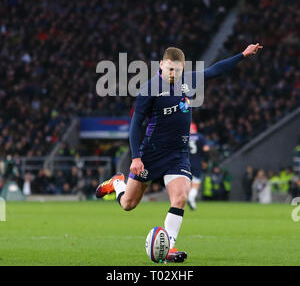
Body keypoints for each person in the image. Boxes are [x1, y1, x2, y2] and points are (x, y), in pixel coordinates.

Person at [96, 43, 263, 262]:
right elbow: (136, 125)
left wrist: (242, 55)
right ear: (162, 65)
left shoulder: (189, 80)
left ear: (183, 67)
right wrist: (136, 157)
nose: (173, 74)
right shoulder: (149, 89)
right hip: (151, 154)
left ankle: (169, 249)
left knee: (180, 197)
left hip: (178, 154)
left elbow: (216, 70)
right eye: (170, 69)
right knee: (128, 204)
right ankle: (118, 183)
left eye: (178, 69)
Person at [187, 122, 210, 210]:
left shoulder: (185, 137)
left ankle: (188, 200)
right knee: (196, 183)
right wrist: (206, 161)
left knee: (187, 182)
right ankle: (191, 198)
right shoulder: (200, 137)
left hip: (185, 163)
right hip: (197, 163)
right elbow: (206, 149)